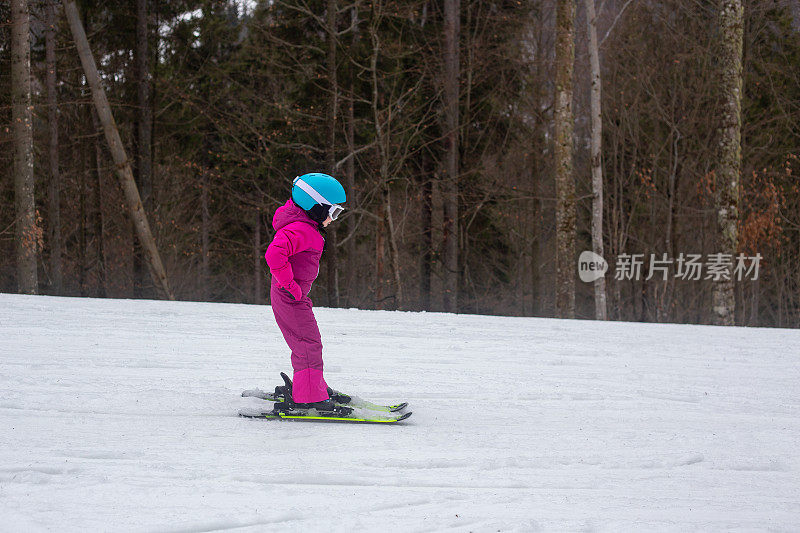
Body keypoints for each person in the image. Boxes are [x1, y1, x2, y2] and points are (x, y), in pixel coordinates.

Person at [264, 173, 346, 407]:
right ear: (316, 207)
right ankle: (309, 397)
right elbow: (274, 254)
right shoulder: (301, 230)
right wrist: (291, 286)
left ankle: (311, 385)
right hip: (289, 296)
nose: (333, 219)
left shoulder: (303, 227)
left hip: (291, 296)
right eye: (333, 212)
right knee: (308, 344)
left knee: (307, 343)